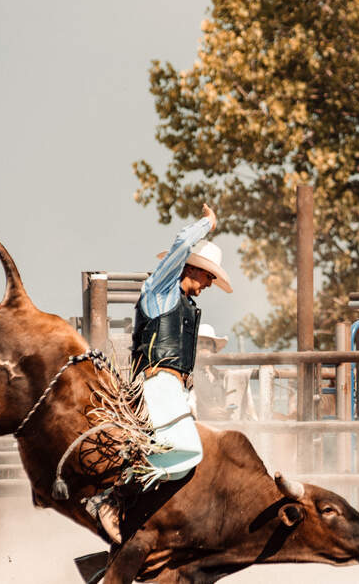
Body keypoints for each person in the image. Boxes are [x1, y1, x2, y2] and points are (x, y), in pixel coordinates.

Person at [86, 203, 234, 542]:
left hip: (174, 388)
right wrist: (207, 224)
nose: (210, 282)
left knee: (193, 460)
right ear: (193, 269)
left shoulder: (180, 302)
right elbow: (182, 243)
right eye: (209, 275)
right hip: (157, 383)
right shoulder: (161, 290)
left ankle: (138, 524)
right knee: (188, 451)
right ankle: (112, 499)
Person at [193, 323, 232, 421]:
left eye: (208, 343)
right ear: (194, 347)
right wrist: (206, 413)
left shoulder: (217, 374)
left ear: (214, 349)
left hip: (221, 424)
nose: (204, 346)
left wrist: (225, 411)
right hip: (199, 426)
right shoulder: (188, 372)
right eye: (200, 342)